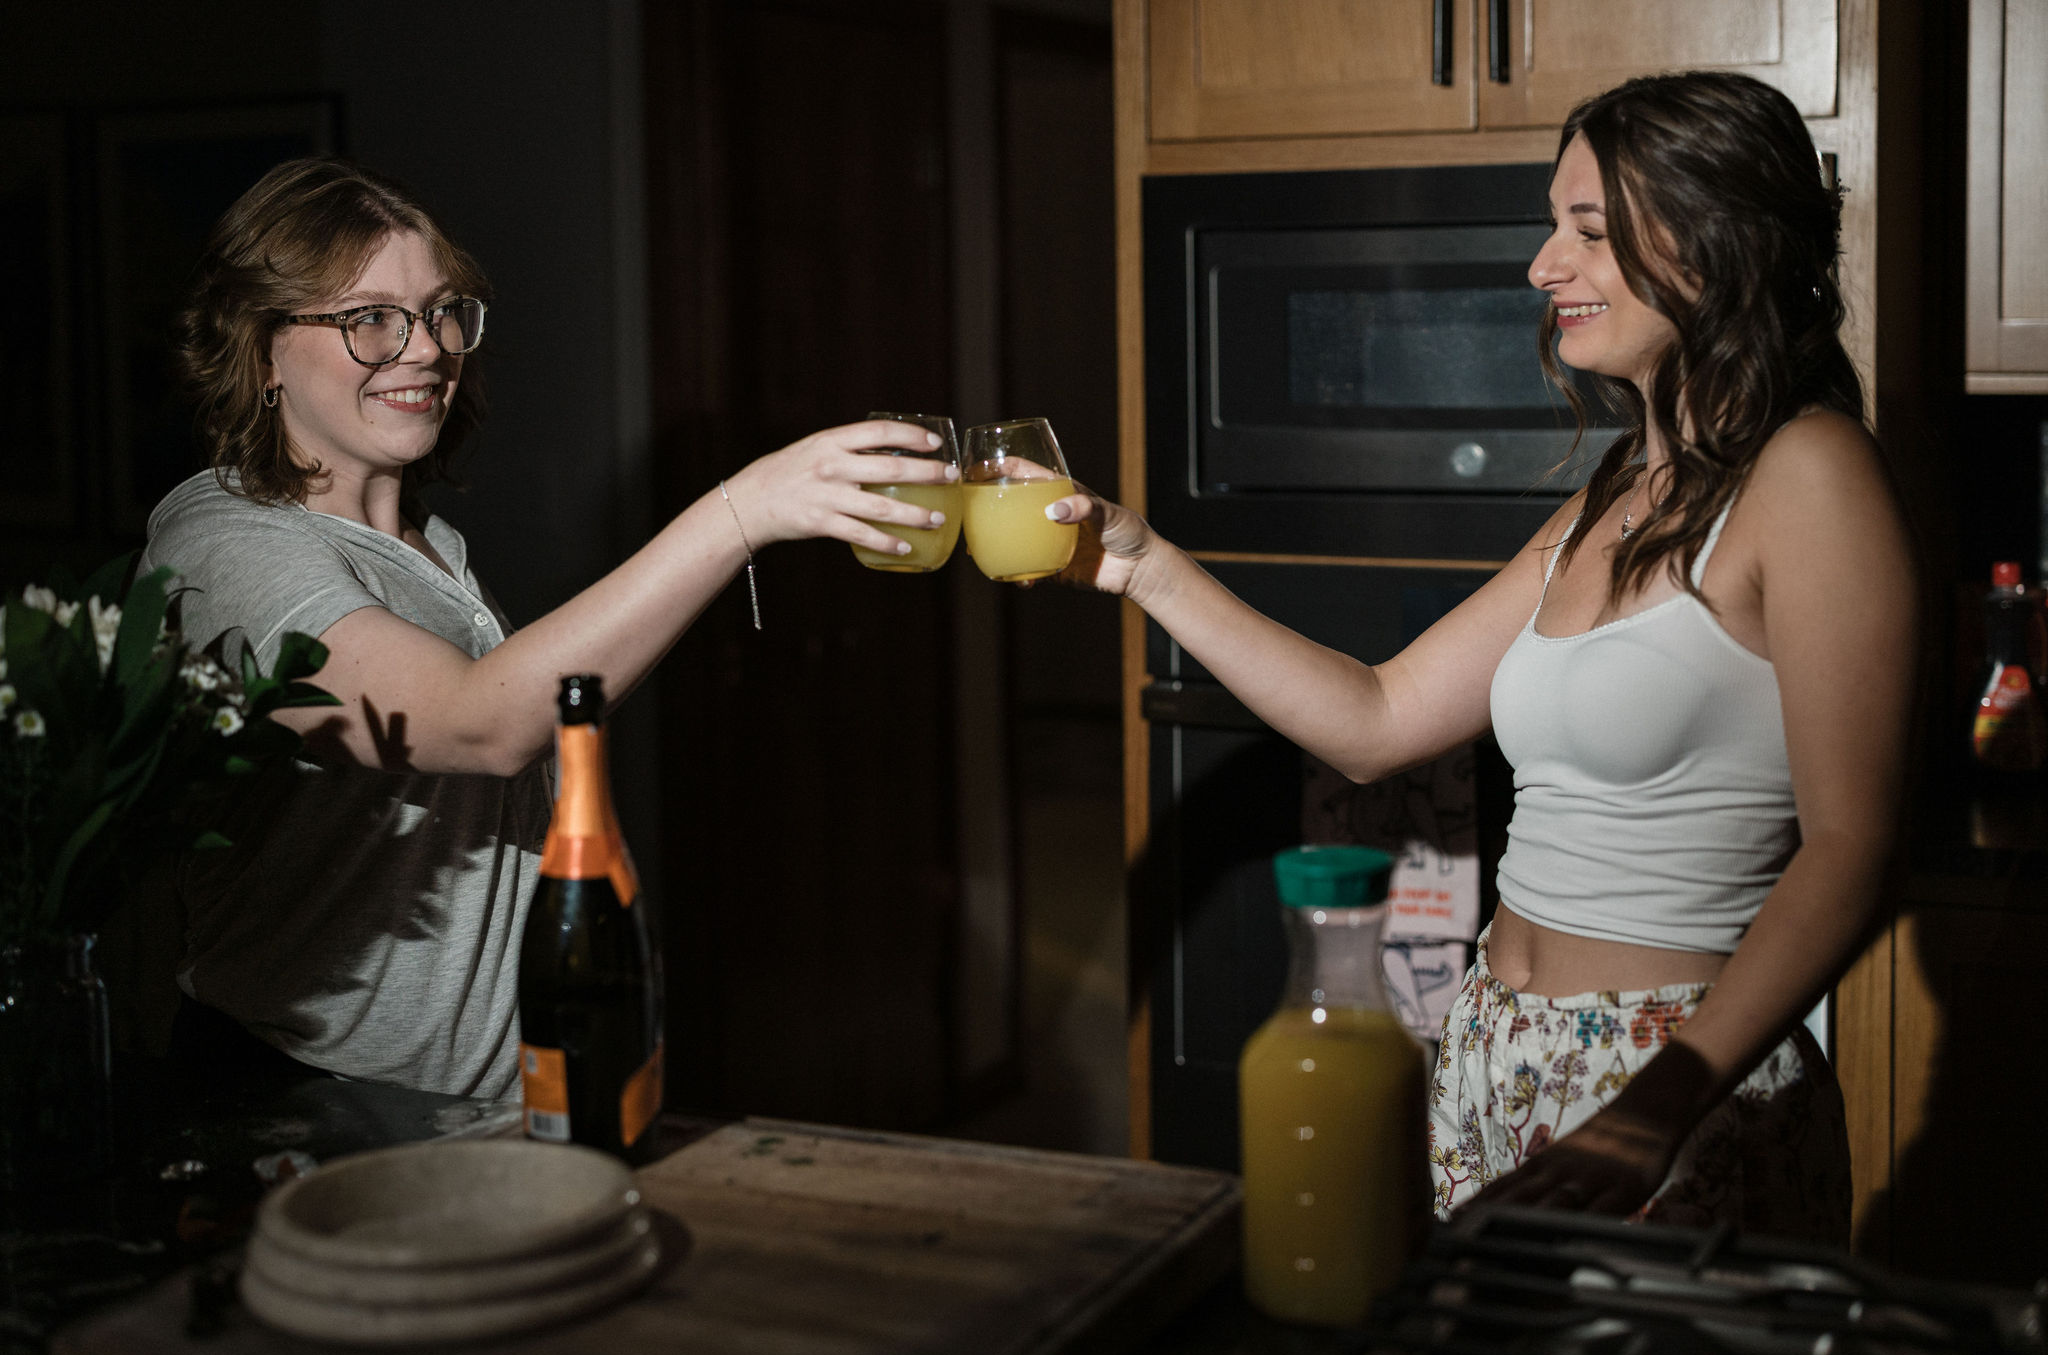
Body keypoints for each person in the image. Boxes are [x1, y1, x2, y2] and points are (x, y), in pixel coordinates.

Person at [1050, 71, 1916, 1240]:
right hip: (1493, 1055)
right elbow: (1376, 715)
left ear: (1714, 245)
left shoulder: (1808, 475)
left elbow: (1852, 846)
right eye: (1550, 225)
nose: (1540, 266)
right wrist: (1139, 562)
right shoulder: (1618, 490)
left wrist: (1657, 1103)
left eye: (1587, 230)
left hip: (1673, 1084)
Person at [140, 157, 957, 1100]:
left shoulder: (428, 546)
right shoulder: (221, 546)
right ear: (260, 348)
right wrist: (742, 513)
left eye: (443, 311)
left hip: (480, 1098)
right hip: (312, 1101)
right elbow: (478, 725)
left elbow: (533, 735)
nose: (426, 349)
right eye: (369, 319)